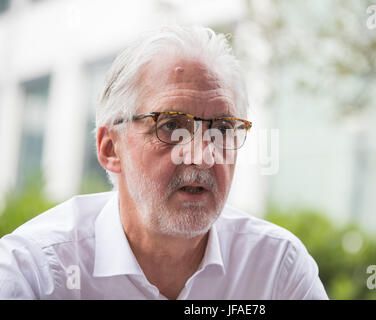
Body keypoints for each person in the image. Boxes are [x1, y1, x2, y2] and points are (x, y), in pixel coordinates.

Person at [0, 26, 328, 300]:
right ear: (110, 148)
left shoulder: (276, 269)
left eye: (223, 129)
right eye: (171, 126)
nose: (202, 155)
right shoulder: (34, 272)